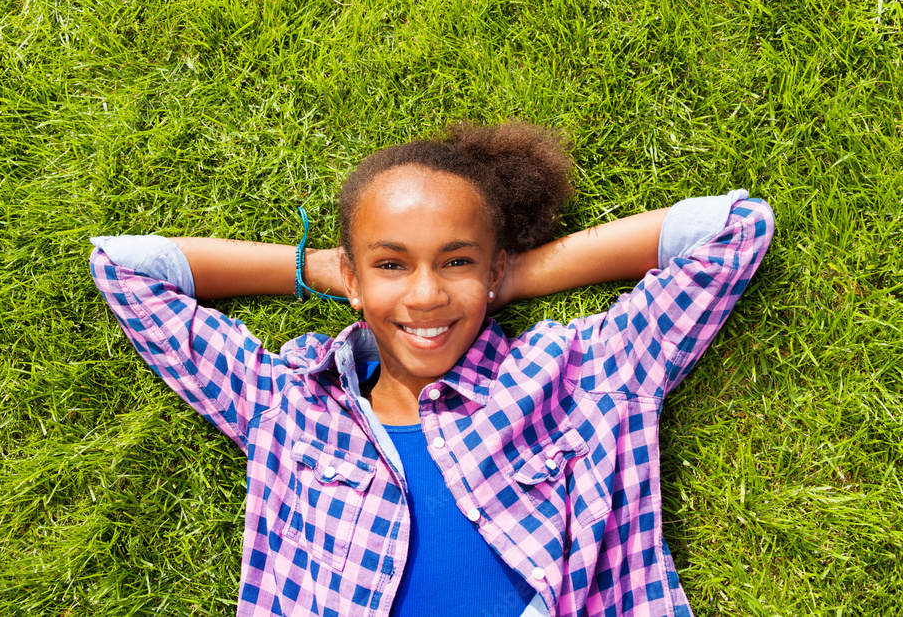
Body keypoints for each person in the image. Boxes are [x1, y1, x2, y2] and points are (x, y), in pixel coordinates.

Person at [89, 121, 774, 617]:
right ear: (353, 277)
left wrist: (506, 280)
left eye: (455, 259)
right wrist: (316, 269)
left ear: (492, 266)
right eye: (392, 263)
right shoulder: (289, 402)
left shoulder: (580, 373)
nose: (424, 295)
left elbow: (732, 229)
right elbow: (123, 268)